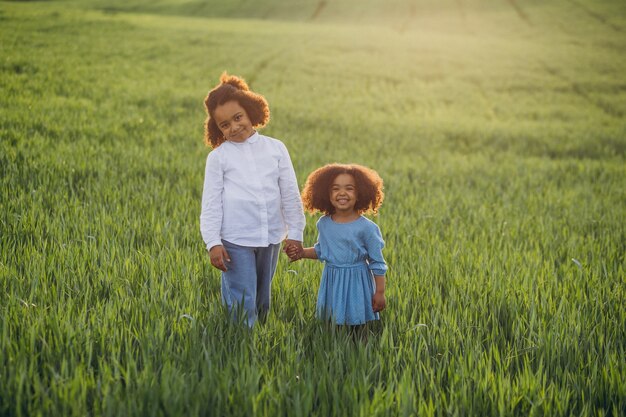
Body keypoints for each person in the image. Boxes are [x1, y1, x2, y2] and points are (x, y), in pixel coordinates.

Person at [200, 72, 305, 326]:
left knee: (262, 297)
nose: (234, 127)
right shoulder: (219, 157)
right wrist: (213, 242)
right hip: (235, 238)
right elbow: (211, 203)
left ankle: (262, 334)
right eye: (225, 125)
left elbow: (290, 193)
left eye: (238, 118)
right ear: (217, 128)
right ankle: (240, 341)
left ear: (250, 111)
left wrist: (296, 232)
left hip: (271, 235)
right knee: (241, 297)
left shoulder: (276, 148)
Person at [285, 163, 387, 327]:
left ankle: (362, 347)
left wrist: (380, 292)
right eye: (335, 188)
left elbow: (377, 262)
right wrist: (301, 253)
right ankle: (334, 347)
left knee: (359, 325)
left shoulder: (367, 228)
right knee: (332, 324)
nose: (342, 193)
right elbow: (322, 250)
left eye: (349, 188)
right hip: (332, 279)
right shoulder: (324, 223)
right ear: (326, 193)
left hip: (357, 281)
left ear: (360, 192)